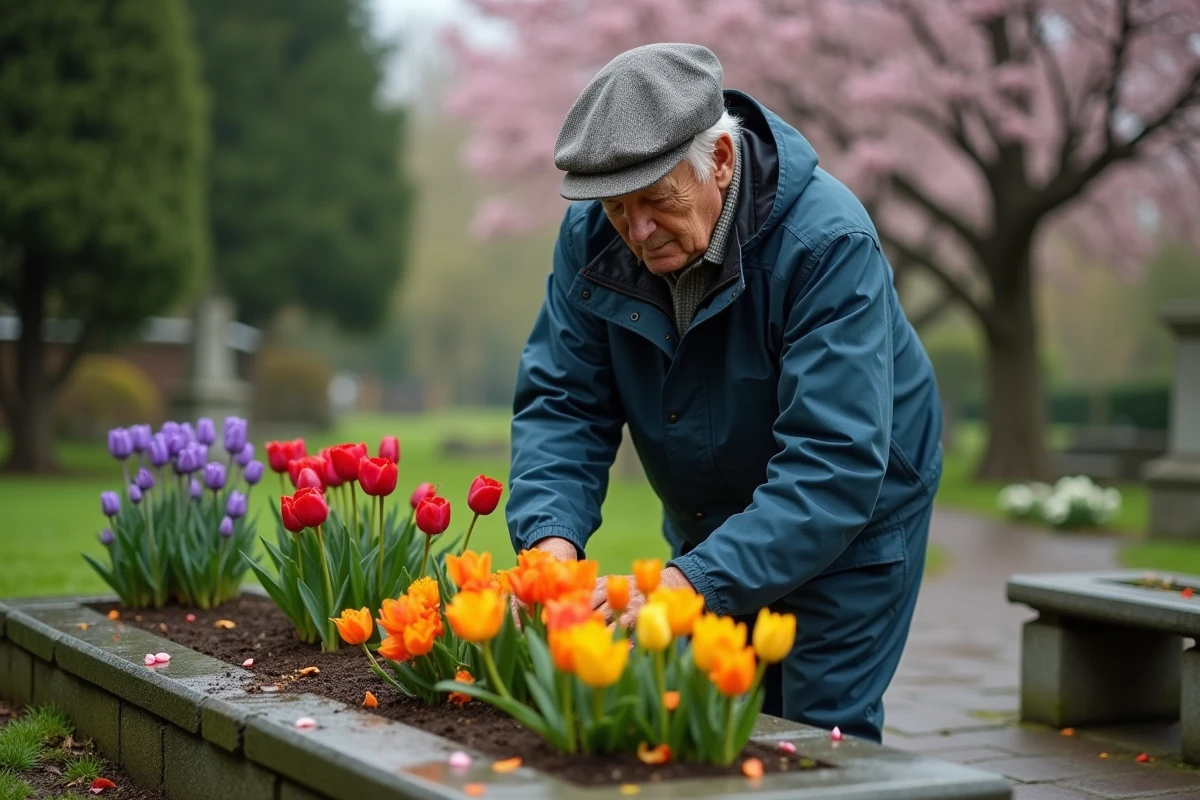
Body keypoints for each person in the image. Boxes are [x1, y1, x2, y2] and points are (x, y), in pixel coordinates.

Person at [504, 43, 943, 742]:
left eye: (657, 201)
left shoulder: (827, 243)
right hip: (711, 508)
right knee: (710, 734)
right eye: (618, 208)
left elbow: (833, 463)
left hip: (853, 525)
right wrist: (549, 542)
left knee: (819, 746)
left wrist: (689, 583)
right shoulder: (593, 237)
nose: (637, 231)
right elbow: (565, 402)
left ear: (724, 161)